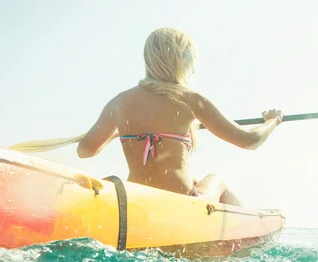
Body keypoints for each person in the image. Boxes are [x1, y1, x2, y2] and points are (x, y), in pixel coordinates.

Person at [76, 27, 283, 206]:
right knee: (216, 180)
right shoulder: (190, 99)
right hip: (183, 201)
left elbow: (85, 151)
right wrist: (273, 121)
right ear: (181, 59)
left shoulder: (119, 102)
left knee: (193, 178)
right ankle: (241, 235)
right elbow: (249, 141)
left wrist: (117, 132)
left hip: (137, 199)